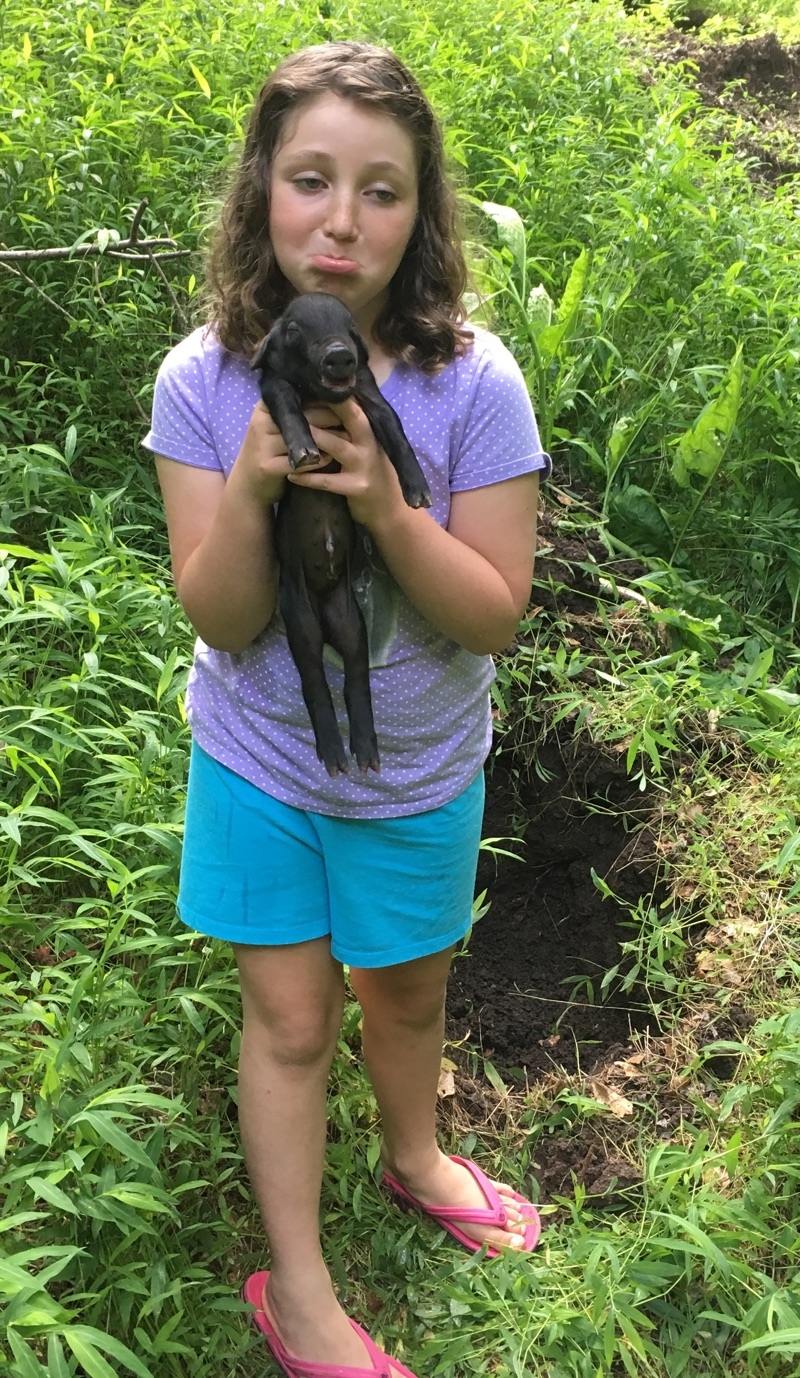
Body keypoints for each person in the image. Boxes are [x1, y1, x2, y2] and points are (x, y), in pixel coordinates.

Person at [143, 40, 551, 1378]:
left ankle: (415, 1151)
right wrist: (258, 486)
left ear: (421, 213)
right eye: (311, 178)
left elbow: (493, 611)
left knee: (412, 993)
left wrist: (383, 504)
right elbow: (225, 615)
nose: (341, 218)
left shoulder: (472, 381)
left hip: (421, 768)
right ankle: (301, 1287)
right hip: (260, 757)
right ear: (263, 188)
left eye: (382, 190)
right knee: (294, 1017)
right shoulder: (204, 383)